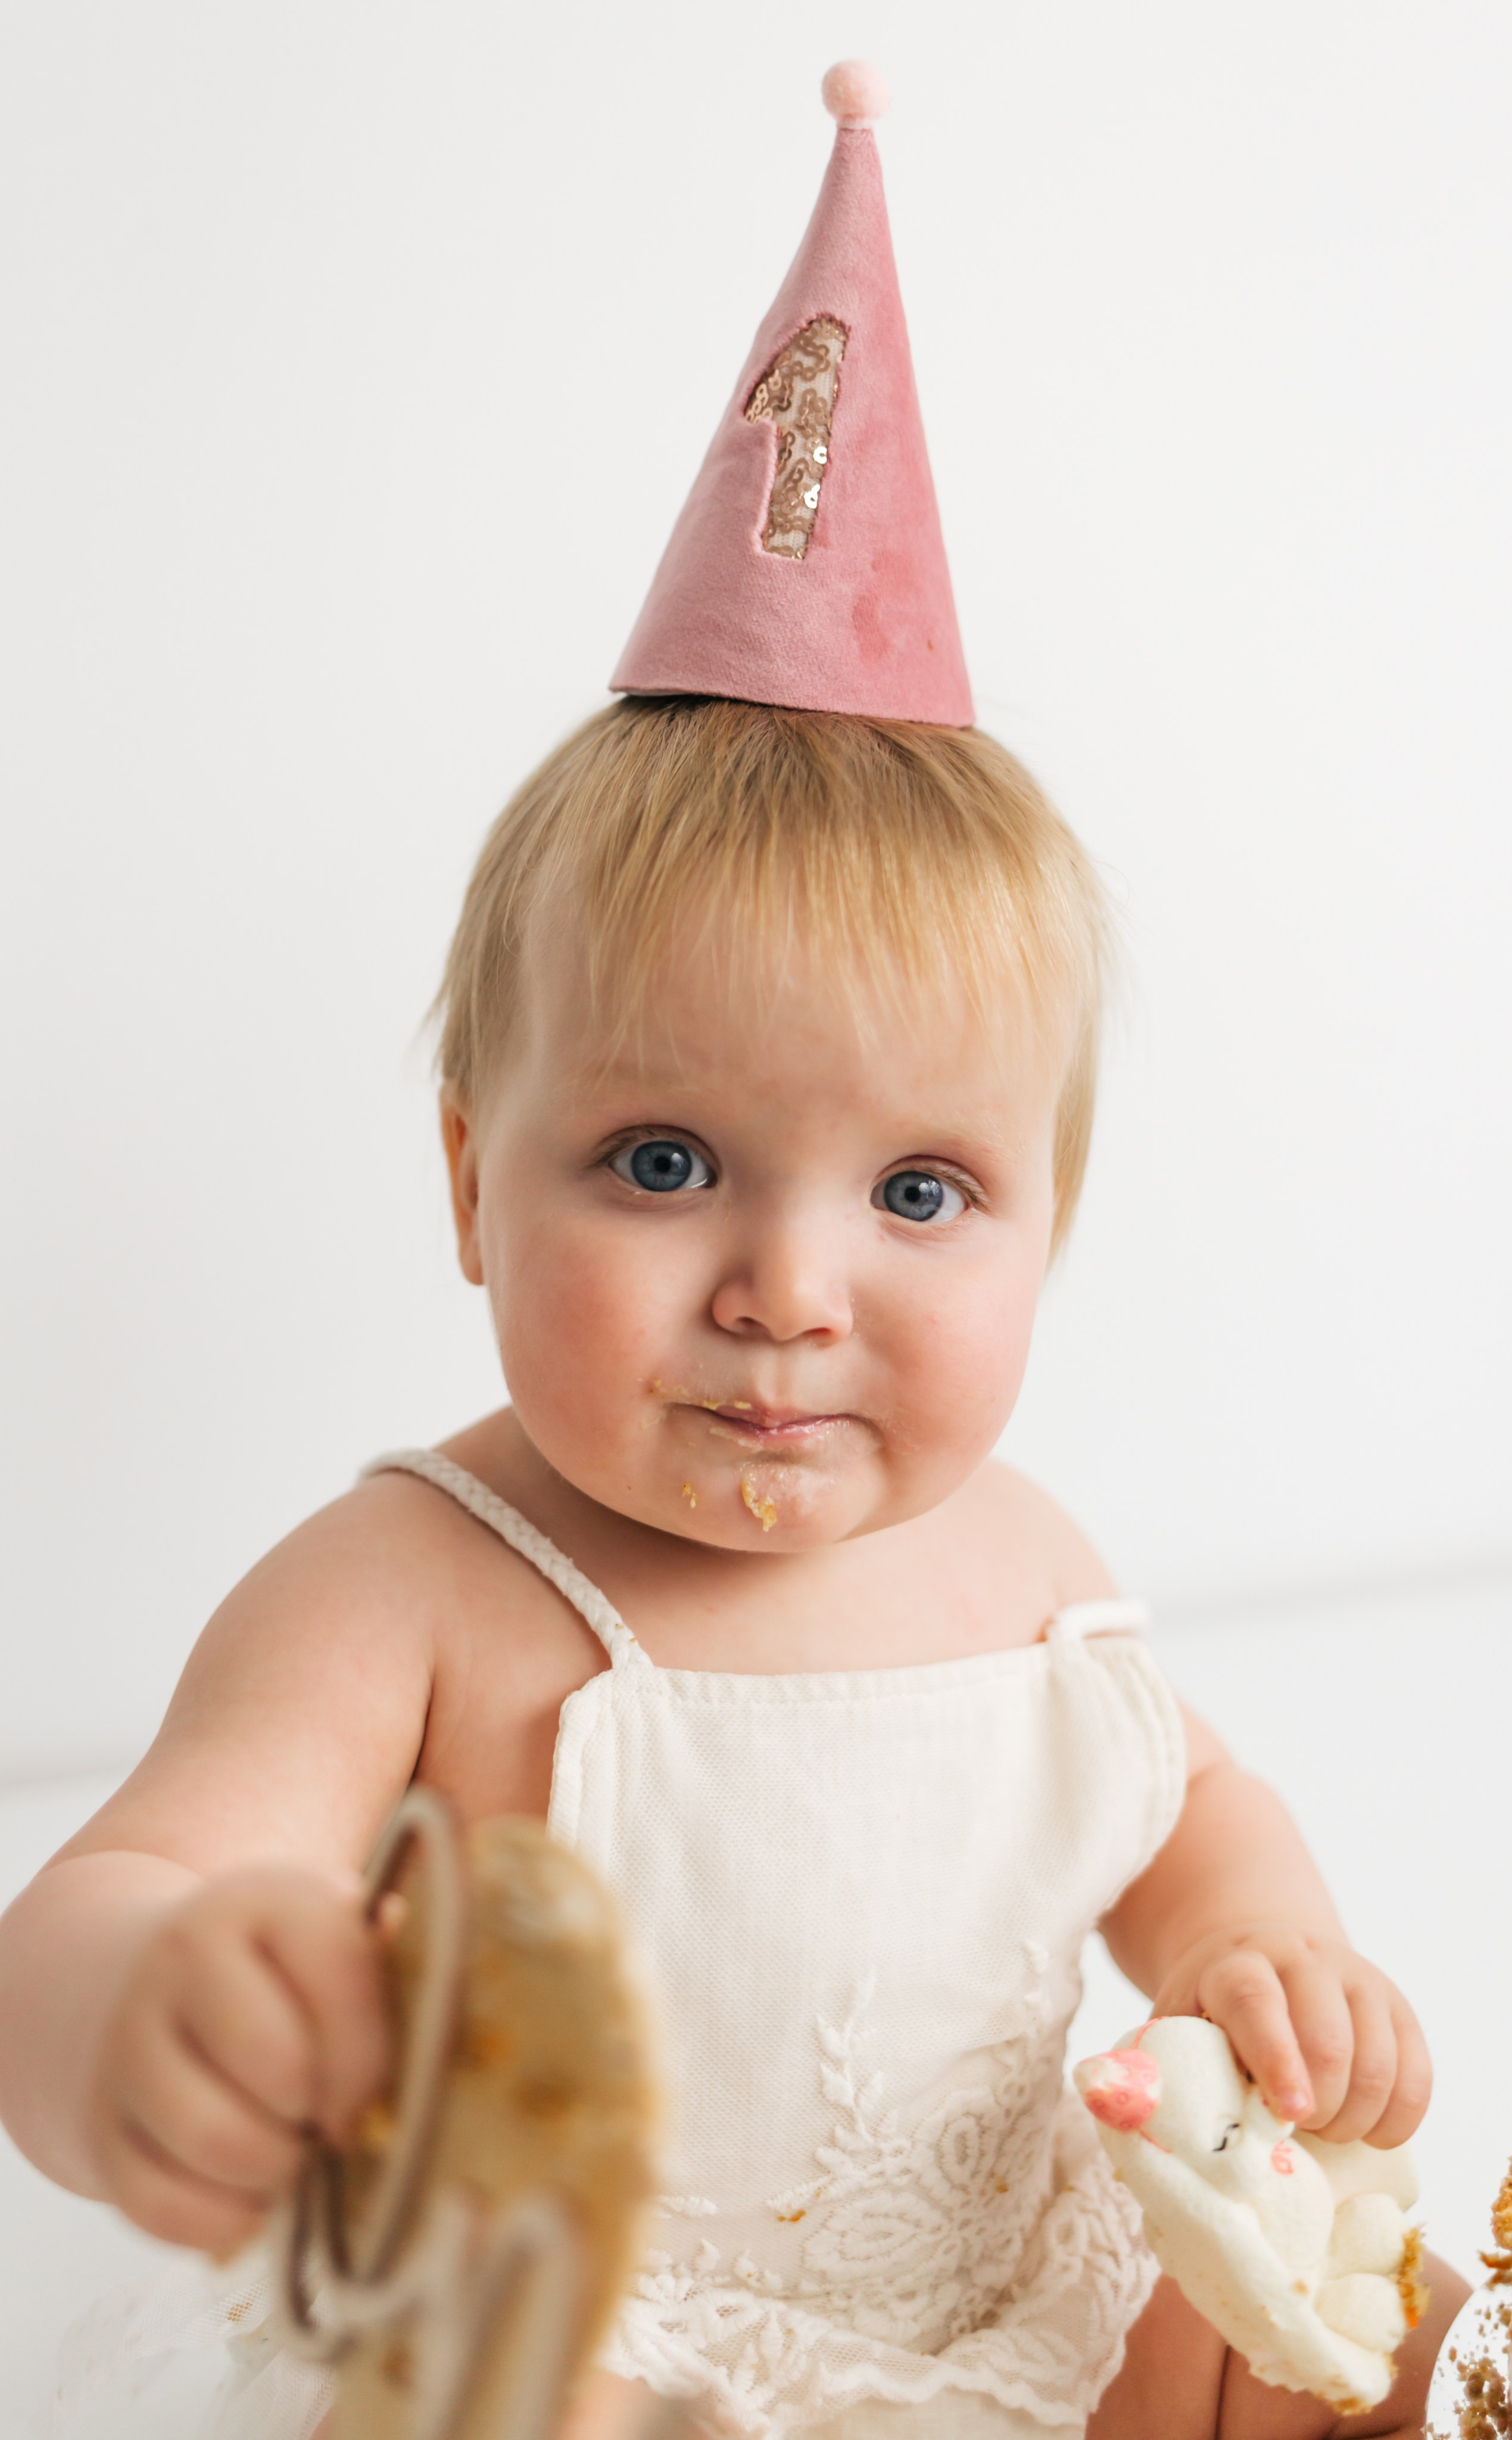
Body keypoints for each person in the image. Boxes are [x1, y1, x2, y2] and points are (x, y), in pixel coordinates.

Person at [0, 60, 1464, 2440]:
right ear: (471, 1175)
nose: (791, 1288)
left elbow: (1176, 1796)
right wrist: (158, 2000)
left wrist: (1243, 1943)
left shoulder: (1026, 1567)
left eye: (914, 1194)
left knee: (1361, 2315)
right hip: (587, 2336)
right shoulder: (414, 1589)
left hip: (1011, 2293)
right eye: (663, 1161)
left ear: (1044, 1229)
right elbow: (117, 1886)